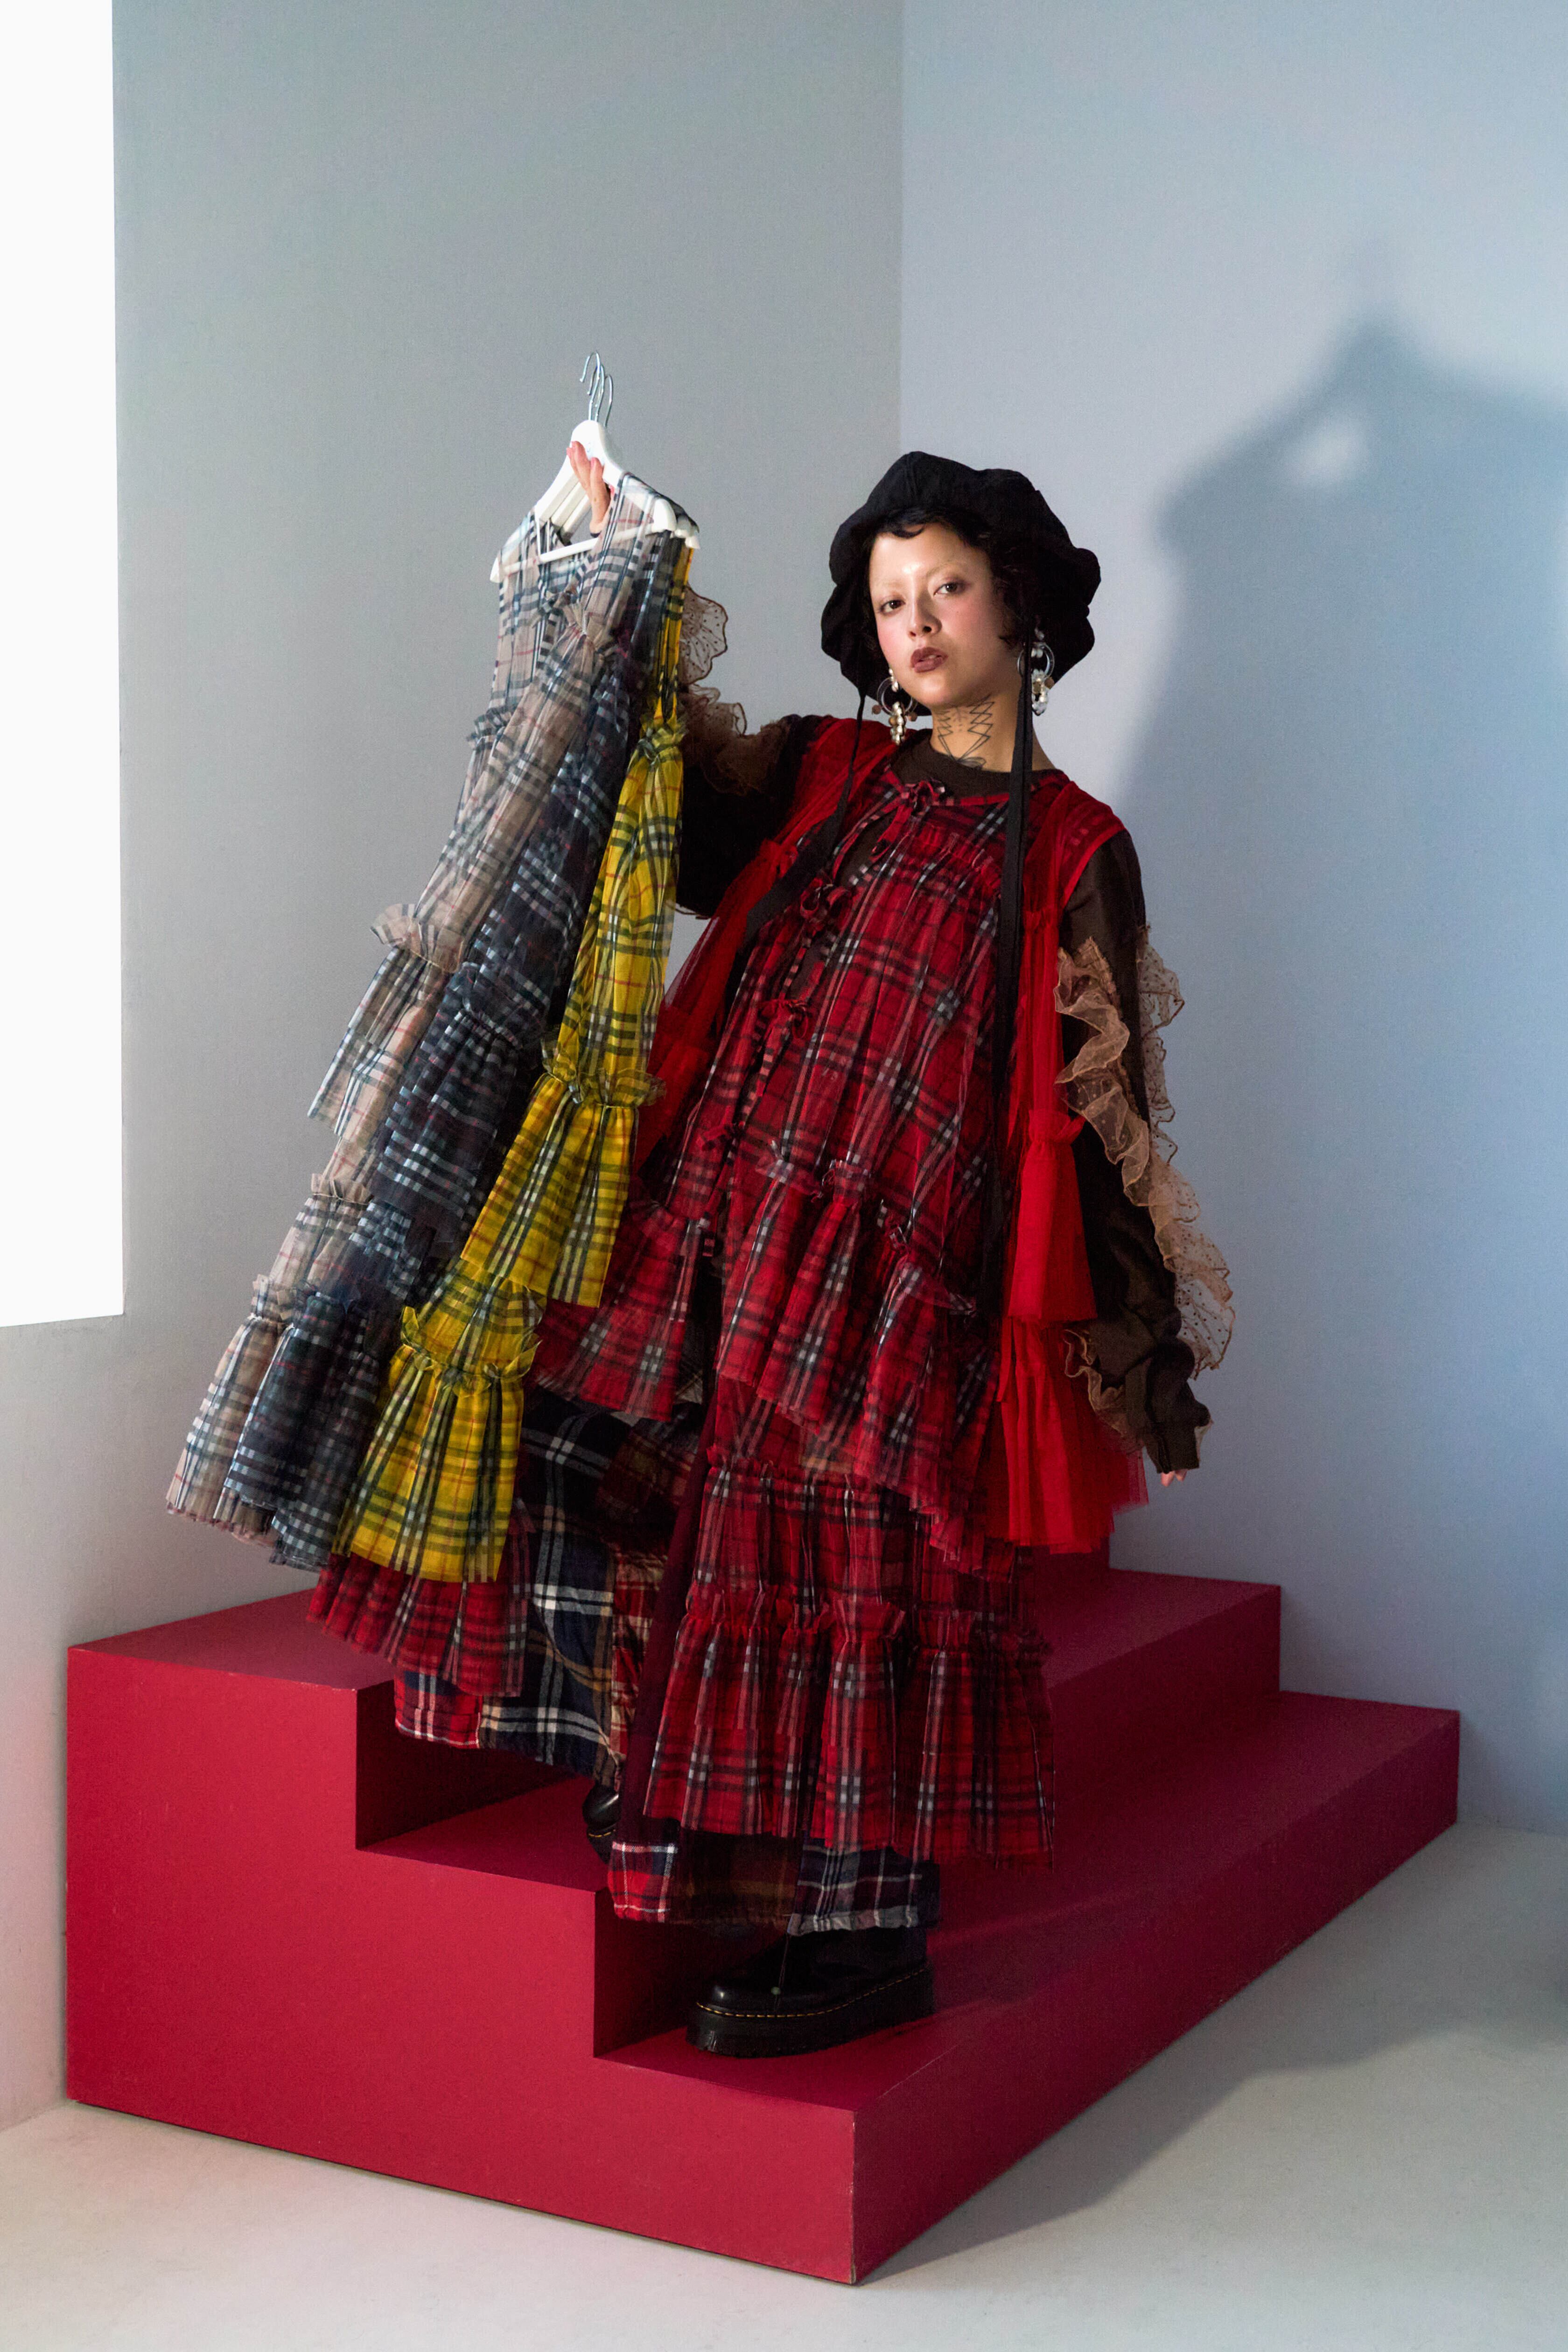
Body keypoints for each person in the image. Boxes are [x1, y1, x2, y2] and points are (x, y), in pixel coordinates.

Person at [406, 446, 1231, 2058]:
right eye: (888, 598)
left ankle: (867, 1943)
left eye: (947, 588)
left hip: (896, 1283)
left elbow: (1105, 1110)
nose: (915, 622)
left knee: (856, 1589)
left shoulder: (1074, 846)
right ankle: (663, 1798)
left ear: (1019, 603)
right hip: (713, 1223)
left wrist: (1141, 1359)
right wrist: (613, 587)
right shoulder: (825, 770)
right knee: (580, 1457)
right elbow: (654, 807)